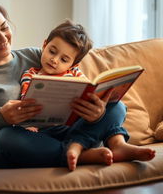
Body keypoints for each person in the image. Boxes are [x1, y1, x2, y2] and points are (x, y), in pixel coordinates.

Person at [0, 0, 155, 171]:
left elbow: (77, 82)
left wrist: (95, 111)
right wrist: (2, 118)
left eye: (4, 27)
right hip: (25, 146)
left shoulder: (35, 55)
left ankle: (100, 145)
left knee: (116, 106)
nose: (3, 38)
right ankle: (82, 154)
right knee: (5, 138)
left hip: (64, 131)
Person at [20, 20, 156, 170]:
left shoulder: (76, 75)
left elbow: (89, 95)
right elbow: (25, 103)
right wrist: (29, 125)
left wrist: (98, 110)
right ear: (44, 45)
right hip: (46, 132)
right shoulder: (30, 75)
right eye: (52, 51)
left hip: (78, 127)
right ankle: (79, 150)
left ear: (73, 64)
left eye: (64, 59)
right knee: (9, 138)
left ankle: (116, 144)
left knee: (118, 106)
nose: (55, 60)